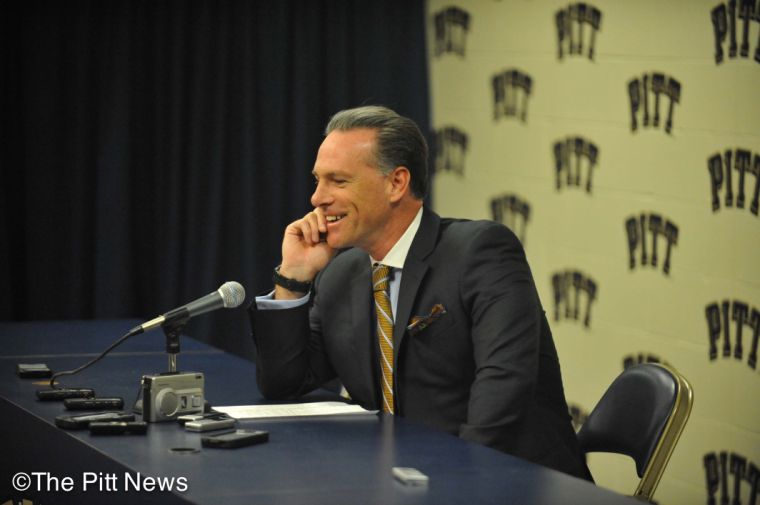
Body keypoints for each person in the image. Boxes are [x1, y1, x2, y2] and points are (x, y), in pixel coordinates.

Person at [249, 105, 592, 480]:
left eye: (338, 181)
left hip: (507, 480)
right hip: (398, 477)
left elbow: (503, 389)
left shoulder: (481, 251)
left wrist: (448, 482)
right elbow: (284, 384)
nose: (318, 198)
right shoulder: (341, 273)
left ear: (396, 183)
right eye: (317, 180)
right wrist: (293, 278)